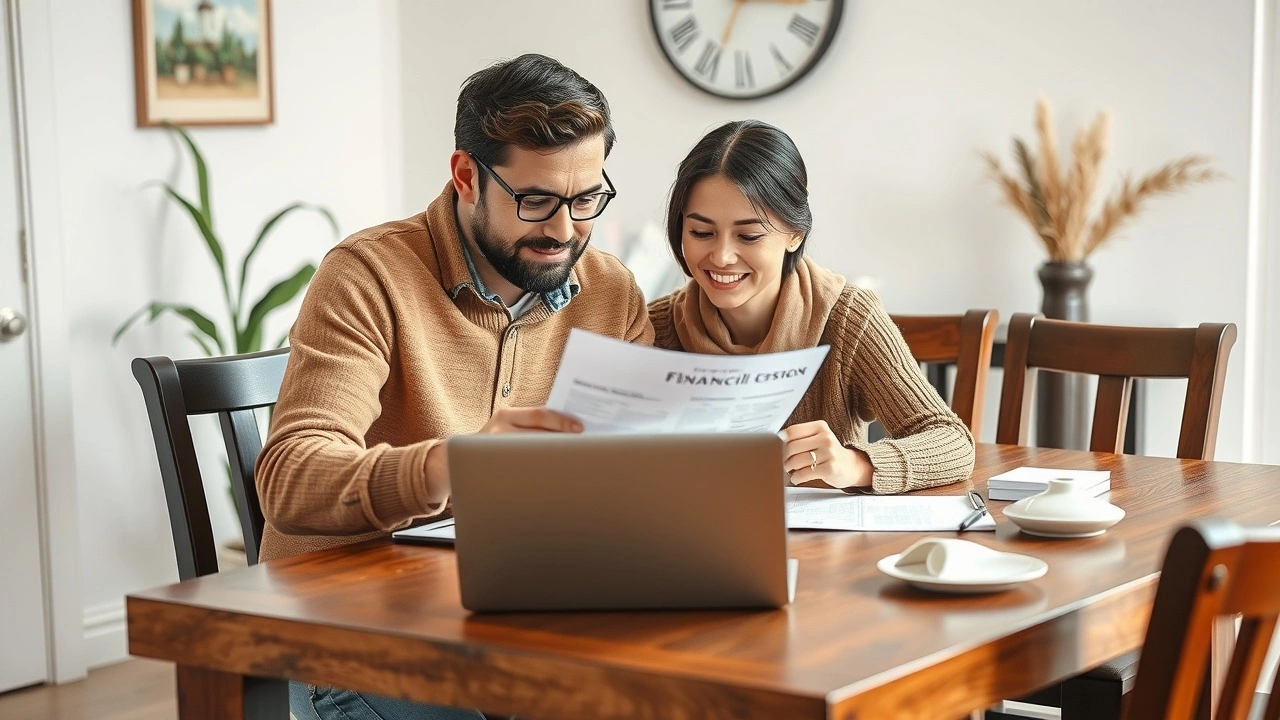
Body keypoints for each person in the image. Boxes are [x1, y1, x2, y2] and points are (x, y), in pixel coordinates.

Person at [255, 53, 653, 719]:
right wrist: (453, 465)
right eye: (535, 201)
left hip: (520, 622)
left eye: (585, 200)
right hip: (351, 638)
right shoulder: (368, 276)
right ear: (467, 176)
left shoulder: (610, 291)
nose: (563, 231)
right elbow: (291, 478)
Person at [648, 120, 974, 494]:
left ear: (795, 234)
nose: (721, 256)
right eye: (701, 232)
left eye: (749, 236)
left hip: (823, 532)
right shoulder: (656, 327)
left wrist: (856, 465)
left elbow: (952, 441)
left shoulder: (849, 318)